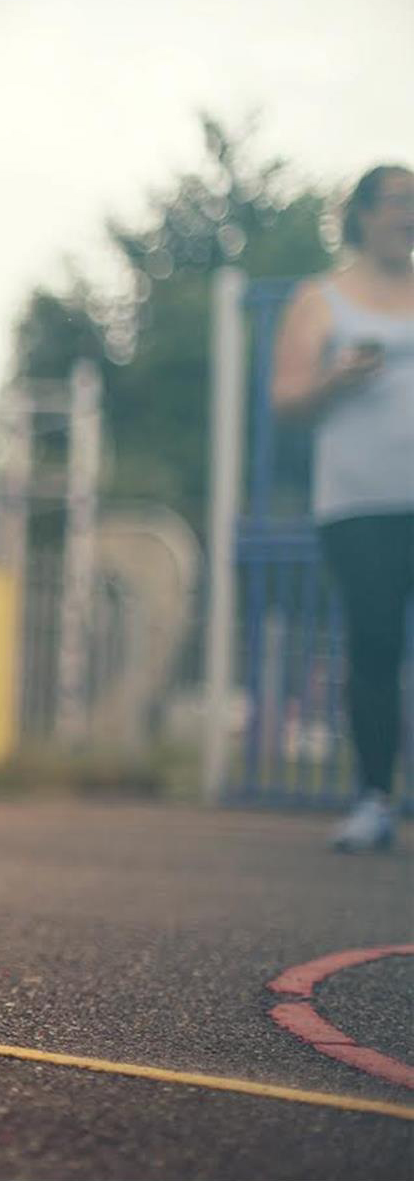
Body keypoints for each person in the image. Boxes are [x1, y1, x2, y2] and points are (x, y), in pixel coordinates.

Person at [271, 163, 414, 852]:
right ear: (360, 214)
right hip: (359, 505)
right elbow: (287, 401)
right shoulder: (321, 299)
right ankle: (375, 800)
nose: (409, 214)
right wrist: (337, 378)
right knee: (378, 645)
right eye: (397, 201)